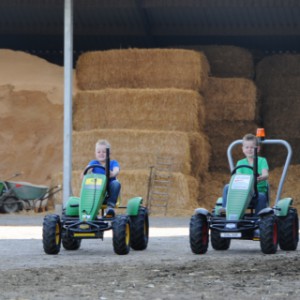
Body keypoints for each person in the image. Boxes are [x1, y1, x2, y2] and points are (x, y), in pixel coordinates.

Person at [221, 133, 269, 216]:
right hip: (242, 192)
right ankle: (226, 210)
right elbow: (238, 176)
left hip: (257, 191)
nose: (249, 149)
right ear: (243, 149)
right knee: (227, 187)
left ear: (257, 149)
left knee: (261, 197)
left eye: (252, 147)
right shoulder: (240, 162)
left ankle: (258, 219)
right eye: (247, 147)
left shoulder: (262, 161)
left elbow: (265, 174)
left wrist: (260, 178)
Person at [83, 139, 121, 218]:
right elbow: (87, 170)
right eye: (99, 152)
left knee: (116, 183)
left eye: (104, 152)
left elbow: (116, 170)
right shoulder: (93, 163)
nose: (101, 154)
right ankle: (89, 211)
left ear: (109, 153)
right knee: (88, 183)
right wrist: (86, 172)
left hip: (109, 190)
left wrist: (113, 173)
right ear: (95, 153)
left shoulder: (113, 163)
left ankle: (110, 207)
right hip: (96, 191)